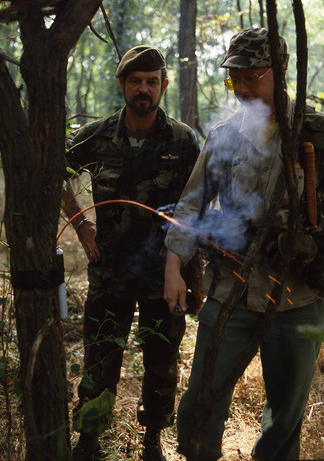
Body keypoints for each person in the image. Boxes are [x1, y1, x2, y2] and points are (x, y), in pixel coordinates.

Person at [164, 28, 324, 460]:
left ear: (281, 71)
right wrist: (174, 268)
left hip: (298, 296)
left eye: (253, 76)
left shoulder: (315, 134)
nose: (244, 87)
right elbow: (191, 205)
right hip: (229, 286)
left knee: (286, 419)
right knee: (201, 400)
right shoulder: (224, 135)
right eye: (236, 77)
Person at [63, 45, 200, 461]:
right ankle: (89, 439)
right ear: (122, 85)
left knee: (162, 358)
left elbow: (197, 203)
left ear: (163, 86)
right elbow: (55, 169)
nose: (144, 90)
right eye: (136, 82)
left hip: (166, 271)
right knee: (101, 353)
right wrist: (81, 223)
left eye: (152, 82)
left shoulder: (181, 139)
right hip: (110, 269)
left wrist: (192, 273)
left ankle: (153, 439)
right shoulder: (98, 135)